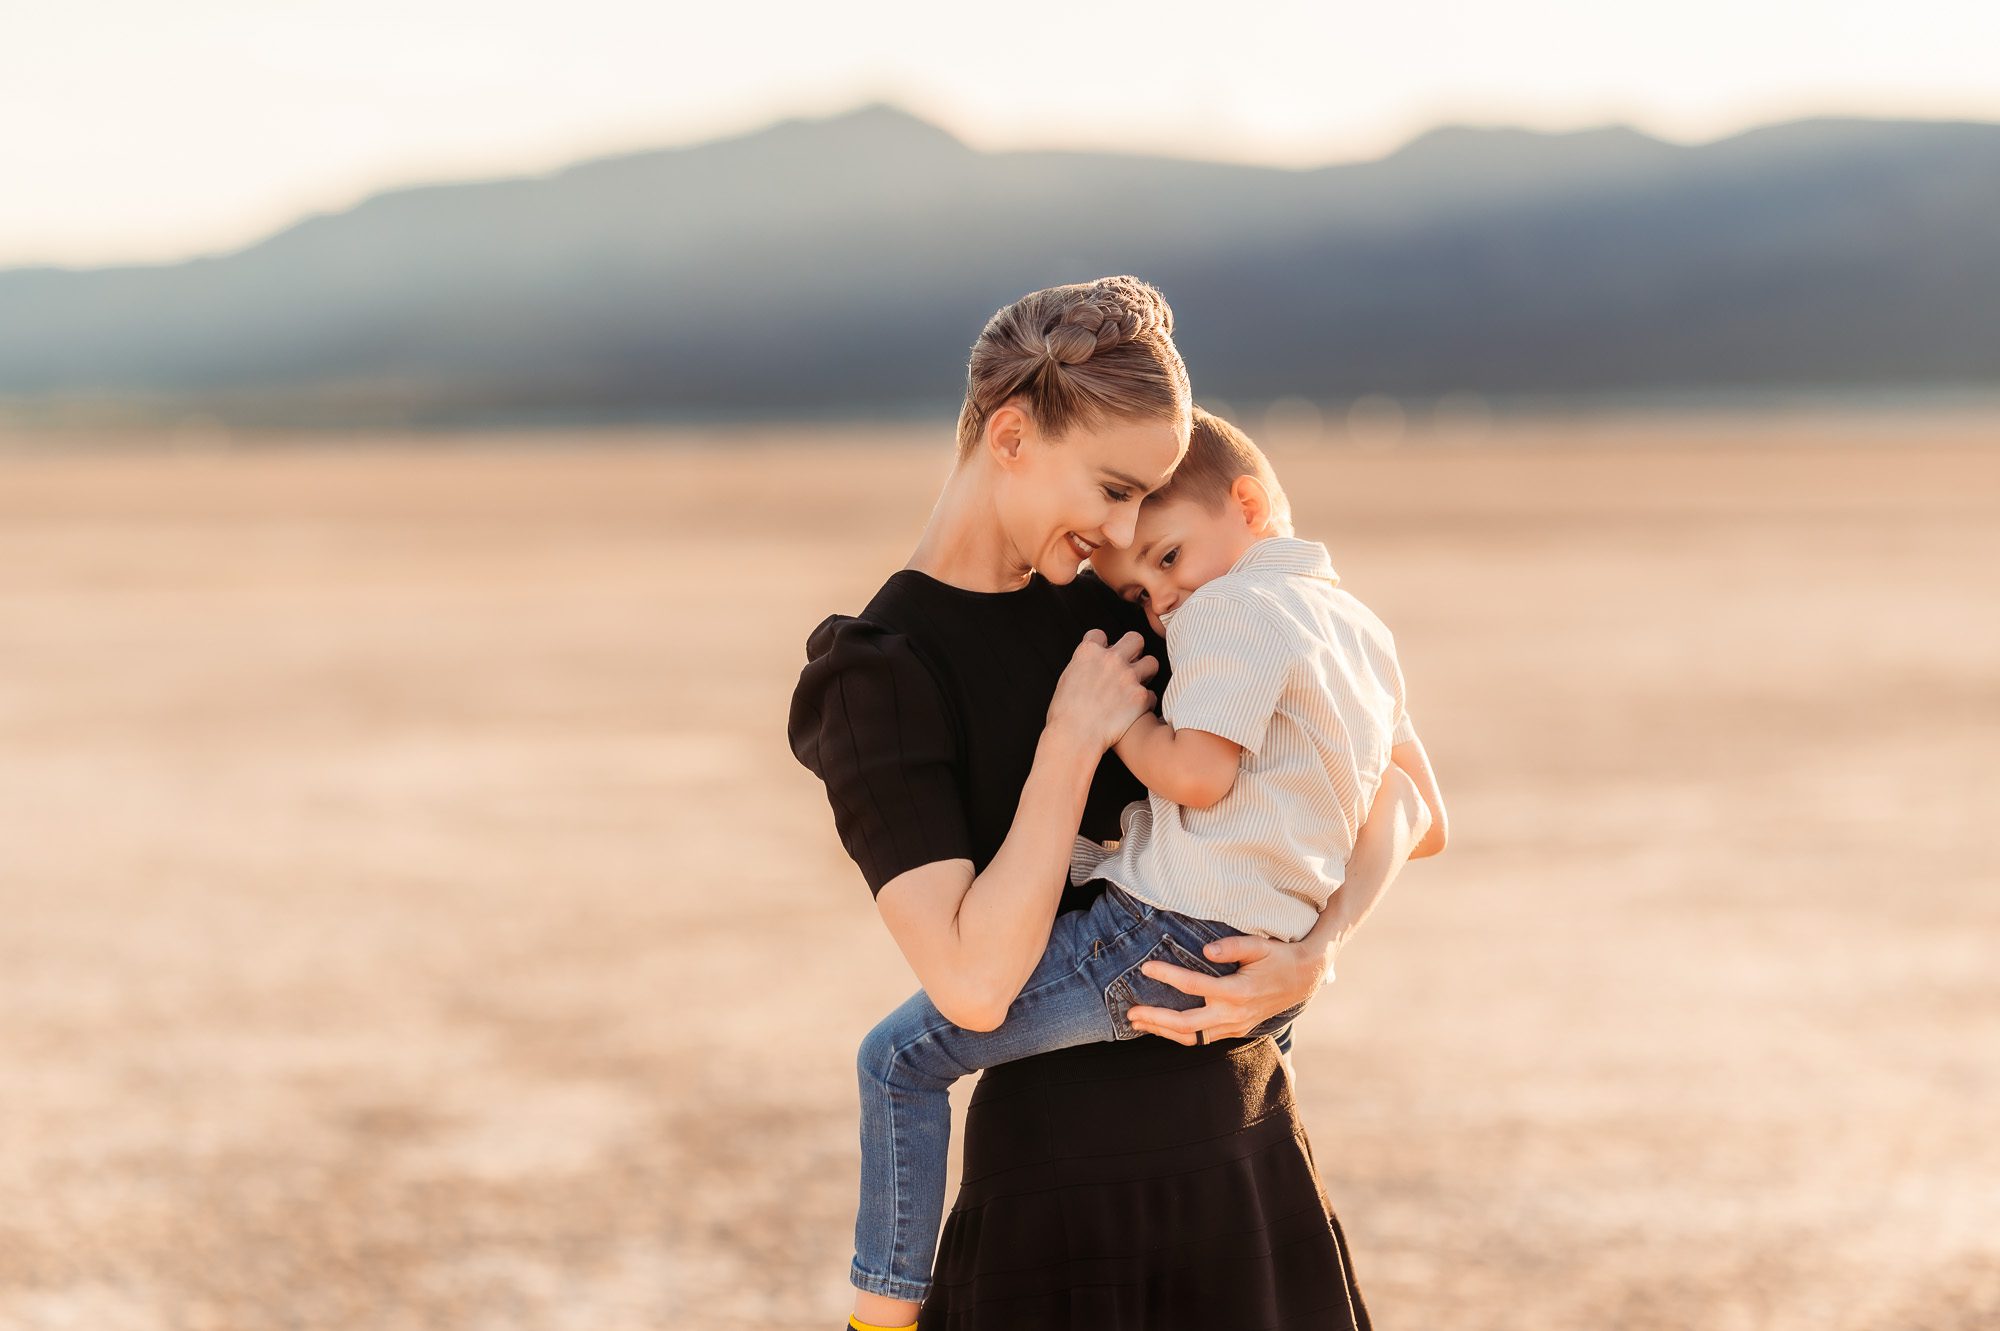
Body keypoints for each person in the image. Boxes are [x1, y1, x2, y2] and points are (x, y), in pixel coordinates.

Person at [788, 276, 1434, 1331]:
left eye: (1145, 500)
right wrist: (1067, 740)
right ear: (1009, 434)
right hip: (1059, 1212)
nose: (1126, 527)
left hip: (1249, 1162)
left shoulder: (1137, 591)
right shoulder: (878, 675)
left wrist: (1320, 944)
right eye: (1110, 487)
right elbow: (973, 980)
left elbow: (1396, 781)